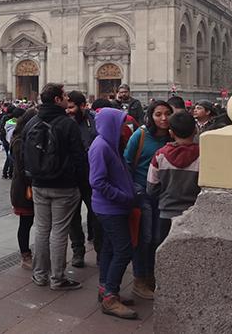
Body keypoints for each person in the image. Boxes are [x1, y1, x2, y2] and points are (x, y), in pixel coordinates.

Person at [22, 83, 86, 290]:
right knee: (59, 231)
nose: (68, 98)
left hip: (39, 184)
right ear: (57, 100)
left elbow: (23, 155)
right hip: (64, 187)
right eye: (65, 95)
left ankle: (40, 275)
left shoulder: (31, 122)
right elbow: (79, 158)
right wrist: (81, 183)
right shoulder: (68, 124)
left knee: (41, 229)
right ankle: (57, 278)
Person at [88, 107, 138, 319]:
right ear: (111, 125)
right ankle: (110, 297)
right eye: (120, 124)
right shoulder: (100, 147)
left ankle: (105, 289)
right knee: (124, 250)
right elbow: (97, 181)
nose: (124, 127)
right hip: (110, 208)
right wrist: (122, 196)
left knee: (109, 248)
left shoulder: (111, 144)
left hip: (114, 207)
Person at [123, 100, 172, 300]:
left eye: (167, 114)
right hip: (142, 192)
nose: (163, 118)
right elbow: (127, 163)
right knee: (144, 238)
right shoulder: (140, 135)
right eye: (158, 114)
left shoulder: (173, 136)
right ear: (150, 116)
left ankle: (152, 275)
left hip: (164, 195)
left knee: (158, 238)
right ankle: (139, 279)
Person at [147, 111, 200, 243]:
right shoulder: (204, 156)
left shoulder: (160, 155)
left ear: (171, 133)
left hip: (166, 213)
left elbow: (151, 188)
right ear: (195, 131)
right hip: (193, 214)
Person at [66, 90, 100, 268]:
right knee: (73, 216)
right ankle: (78, 250)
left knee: (96, 214)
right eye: (67, 106)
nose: (69, 110)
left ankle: (100, 249)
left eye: (72, 107)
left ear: (82, 106)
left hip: (92, 177)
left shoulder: (94, 122)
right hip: (72, 178)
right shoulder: (64, 123)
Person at [10, 108, 37, 270]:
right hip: (24, 189)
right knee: (25, 223)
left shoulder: (29, 138)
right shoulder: (19, 141)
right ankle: (25, 255)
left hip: (31, 187)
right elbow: (21, 168)